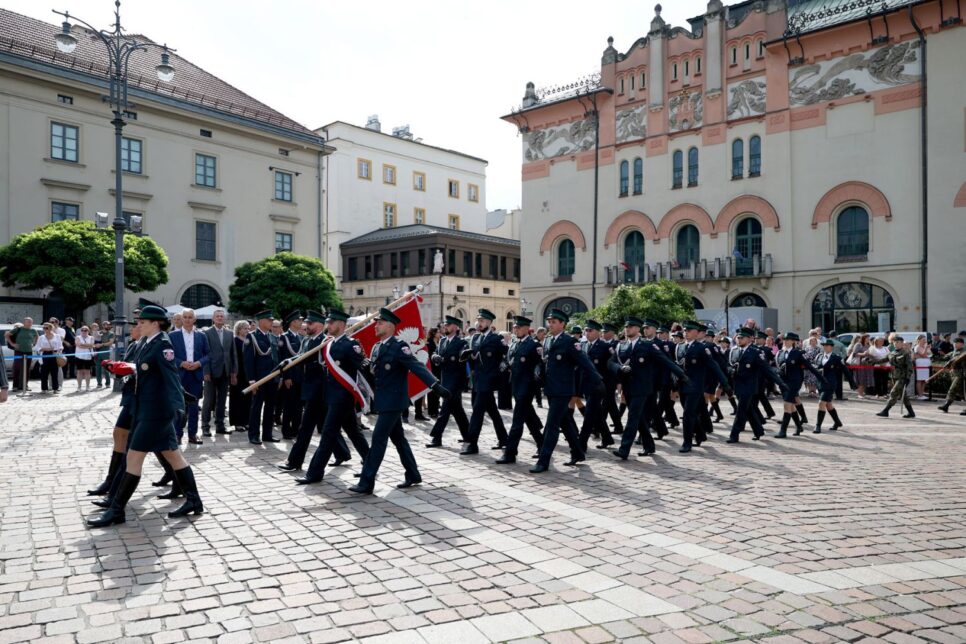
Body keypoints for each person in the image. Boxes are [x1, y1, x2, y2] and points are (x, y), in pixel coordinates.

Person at [87, 303, 203, 527]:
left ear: (155, 324)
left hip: (156, 412)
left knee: (133, 457)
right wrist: (127, 368)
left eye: (142, 322)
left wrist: (180, 407)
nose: (139, 325)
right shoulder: (147, 343)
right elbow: (144, 371)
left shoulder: (162, 345)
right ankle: (194, 500)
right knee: (173, 456)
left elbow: (171, 378)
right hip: (146, 408)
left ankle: (116, 510)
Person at [348, 307, 449, 494]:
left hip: (394, 401)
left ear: (391, 326)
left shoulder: (399, 346)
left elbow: (416, 366)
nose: (375, 326)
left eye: (380, 323)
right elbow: (375, 373)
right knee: (399, 439)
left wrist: (435, 385)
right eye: (376, 323)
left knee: (378, 439)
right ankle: (413, 474)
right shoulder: (378, 347)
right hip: (383, 400)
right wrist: (364, 365)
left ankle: (366, 481)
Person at [295, 309, 371, 484]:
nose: (328, 325)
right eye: (327, 322)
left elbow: (362, 365)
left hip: (343, 398)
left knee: (328, 434)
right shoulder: (328, 344)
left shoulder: (350, 345)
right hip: (331, 396)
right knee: (354, 433)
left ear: (342, 324)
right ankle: (370, 464)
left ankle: (314, 473)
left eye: (331, 322)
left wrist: (366, 363)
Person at [530, 308, 602, 473]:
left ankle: (543, 461)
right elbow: (546, 363)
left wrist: (598, 380)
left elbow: (584, 362)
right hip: (550, 388)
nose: (550, 324)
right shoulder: (548, 340)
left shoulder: (570, 342)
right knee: (565, 422)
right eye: (549, 321)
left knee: (552, 425)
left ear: (563, 324)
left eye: (554, 322)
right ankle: (577, 452)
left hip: (563, 390)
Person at [611, 317, 687, 459]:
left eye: (631, 327)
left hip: (642, 388)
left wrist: (682, 375)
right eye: (627, 327)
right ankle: (649, 445)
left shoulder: (647, 345)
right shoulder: (621, 345)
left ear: (638, 329)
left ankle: (624, 449)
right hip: (628, 387)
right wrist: (619, 368)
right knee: (639, 418)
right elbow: (611, 362)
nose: (628, 329)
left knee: (632, 416)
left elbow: (665, 361)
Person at [87, 322, 143, 496]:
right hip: (130, 397)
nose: (131, 330)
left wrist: (122, 368)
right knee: (119, 434)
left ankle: (178, 478)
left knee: (161, 446)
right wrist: (115, 367)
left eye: (136, 326)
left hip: (141, 399)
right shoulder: (134, 344)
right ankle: (111, 480)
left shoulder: (148, 345)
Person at [495, 315, 544, 464]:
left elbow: (540, 364)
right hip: (515, 386)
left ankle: (510, 453)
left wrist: (537, 374)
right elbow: (510, 360)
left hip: (527, 387)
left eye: (518, 327)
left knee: (517, 421)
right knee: (528, 417)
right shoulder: (515, 344)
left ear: (526, 329)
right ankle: (542, 443)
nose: (515, 329)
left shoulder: (534, 345)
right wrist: (505, 365)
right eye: (514, 327)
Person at [460, 309, 509, 455]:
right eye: (478, 320)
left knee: (477, 411)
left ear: (489, 322)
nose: (479, 323)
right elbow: (473, 357)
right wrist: (469, 356)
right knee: (493, 411)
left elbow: (506, 355)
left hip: (489, 380)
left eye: (482, 321)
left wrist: (500, 371)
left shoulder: (495, 339)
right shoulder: (475, 338)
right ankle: (504, 439)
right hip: (478, 380)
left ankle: (472, 443)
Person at [677, 321, 730, 452]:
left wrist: (725, 383)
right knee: (691, 413)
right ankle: (700, 434)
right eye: (685, 331)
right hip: (682, 386)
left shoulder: (701, 348)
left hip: (695, 386)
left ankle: (687, 442)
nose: (686, 333)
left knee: (688, 414)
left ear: (696, 332)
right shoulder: (680, 347)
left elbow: (714, 366)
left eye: (689, 331)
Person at [727, 328, 786, 443]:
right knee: (749, 409)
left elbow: (767, 369)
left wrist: (780, 383)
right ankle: (759, 430)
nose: (739, 340)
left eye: (742, 338)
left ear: (750, 339)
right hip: (738, 384)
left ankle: (734, 435)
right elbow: (728, 365)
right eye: (738, 338)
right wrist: (730, 370)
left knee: (741, 410)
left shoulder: (756, 352)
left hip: (749, 385)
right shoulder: (734, 350)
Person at [427, 316, 470, 448]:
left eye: (449, 324)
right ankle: (469, 435)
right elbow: (435, 352)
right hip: (445, 380)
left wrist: (464, 354)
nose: (445, 326)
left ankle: (436, 437)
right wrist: (435, 357)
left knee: (445, 410)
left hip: (456, 382)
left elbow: (464, 354)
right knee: (457, 410)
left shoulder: (461, 342)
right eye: (445, 324)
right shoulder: (442, 341)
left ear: (456, 327)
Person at [169, 308, 210, 445]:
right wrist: (181, 363)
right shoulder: (173, 335)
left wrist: (199, 363)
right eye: (184, 317)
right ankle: (177, 434)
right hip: (180, 375)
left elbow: (208, 355)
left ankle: (193, 434)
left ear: (194, 319)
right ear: (181, 319)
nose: (187, 319)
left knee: (194, 406)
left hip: (196, 375)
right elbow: (168, 355)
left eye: (189, 317)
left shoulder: (201, 335)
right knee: (178, 406)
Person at [775, 332, 826, 438]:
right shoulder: (780, 352)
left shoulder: (797, 353)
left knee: (787, 404)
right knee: (792, 405)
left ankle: (783, 430)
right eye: (784, 339)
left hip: (794, 382)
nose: (785, 341)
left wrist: (822, 378)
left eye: (788, 339)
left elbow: (809, 367)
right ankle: (798, 426)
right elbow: (777, 367)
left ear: (793, 341)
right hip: (783, 382)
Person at [578, 320, 616, 450]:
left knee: (589, 414)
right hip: (586, 385)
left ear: (598, 332)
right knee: (598, 413)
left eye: (590, 330)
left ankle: (581, 444)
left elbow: (611, 367)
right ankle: (607, 438)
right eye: (586, 330)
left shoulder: (605, 347)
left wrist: (610, 386)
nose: (587, 333)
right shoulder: (582, 345)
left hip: (598, 386)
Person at [244, 310, 280, 445]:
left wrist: (279, 377)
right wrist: (252, 380)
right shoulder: (252, 337)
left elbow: (276, 359)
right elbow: (248, 360)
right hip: (259, 379)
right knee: (256, 407)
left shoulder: (273, 337)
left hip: (272, 378)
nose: (271, 322)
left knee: (270, 407)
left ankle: (267, 434)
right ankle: (253, 435)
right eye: (269, 320)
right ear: (261, 321)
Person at [202, 309, 237, 436]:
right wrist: (205, 371)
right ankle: (205, 426)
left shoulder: (229, 333)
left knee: (222, 400)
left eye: (222, 316)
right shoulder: (206, 333)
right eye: (217, 316)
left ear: (225, 319)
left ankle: (220, 425)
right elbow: (204, 353)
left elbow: (233, 354)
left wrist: (234, 372)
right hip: (210, 371)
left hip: (225, 371)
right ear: (213, 318)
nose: (220, 318)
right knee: (208, 400)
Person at [278, 311, 305, 439]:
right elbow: (283, 358)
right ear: (293, 322)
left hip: (300, 377)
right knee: (289, 405)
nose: (301, 322)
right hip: (290, 377)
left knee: (298, 405)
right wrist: (287, 376)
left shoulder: (300, 337)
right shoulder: (284, 338)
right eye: (299, 320)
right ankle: (286, 430)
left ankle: (296, 429)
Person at [876, 337, 916, 418]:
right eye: (894, 342)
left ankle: (886, 411)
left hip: (903, 377)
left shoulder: (905, 353)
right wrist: (872, 361)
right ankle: (911, 412)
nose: (896, 344)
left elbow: (910, 367)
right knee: (903, 395)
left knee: (893, 392)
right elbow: (883, 360)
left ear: (902, 343)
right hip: (894, 376)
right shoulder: (892, 353)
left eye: (898, 342)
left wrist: (907, 378)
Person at [814, 339, 845, 433]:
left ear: (832, 347)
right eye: (824, 345)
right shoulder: (819, 356)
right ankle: (837, 422)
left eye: (827, 345)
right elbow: (816, 366)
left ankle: (818, 426)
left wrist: (852, 382)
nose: (825, 347)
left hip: (830, 383)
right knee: (828, 404)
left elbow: (845, 369)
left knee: (821, 403)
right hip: (820, 383)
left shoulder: (836, 357)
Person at [228, 320, 252, 430]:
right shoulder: (234, 340)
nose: (247, 330)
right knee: (237, 397)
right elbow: (231, 358)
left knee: (248, 397)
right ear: (238, 329)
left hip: (248, 373)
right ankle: (237, 422)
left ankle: (246, 421)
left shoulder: (249, 340)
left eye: (248, 328)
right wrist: (232, 374)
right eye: (244, 328)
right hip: (237, 373)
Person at [936, 336, 965, 414]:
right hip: (954, 373)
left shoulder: (963, 351)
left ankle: (946, 405)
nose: (955, 344)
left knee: (952, 389)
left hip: (961, 373)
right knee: (961, 392)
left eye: (957, 343)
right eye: (954, 343)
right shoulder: (954, 352)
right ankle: (946, 406)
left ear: (962, 344)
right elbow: (944, 357)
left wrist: (950, 361)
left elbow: (957, 358)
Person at [8, 318, 38, 391]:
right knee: (17, 368)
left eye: (31, 322)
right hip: (19, 351)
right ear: (24, 322)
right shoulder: (18, 329)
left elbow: (37, 336)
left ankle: (25, 386)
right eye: (28, 322)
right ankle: (15, 386)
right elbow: (7, 335)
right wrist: (12, 344)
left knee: (27, 369)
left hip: (29, 351)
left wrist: (34, 343)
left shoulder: (33, 330)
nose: (29, 323)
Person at [34, 323, 63, 393]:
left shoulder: (57, 336)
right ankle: (44, 389)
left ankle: (55, 388)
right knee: (44, 372)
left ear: (51, 328)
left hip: (54, 354)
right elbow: (37, 347)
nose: (45, 329)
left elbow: (61, 346)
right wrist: (44, 349)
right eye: (44, 328)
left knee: (54, 372)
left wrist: (55, 349)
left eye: (46, 328)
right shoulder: (41, 337)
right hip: (44, 355)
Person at [74, 325, 95, 390]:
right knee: (79, 371)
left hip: (88, 357)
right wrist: (88, 345)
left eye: (85, 330)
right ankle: (79, 387)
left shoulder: (91, 337)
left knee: (87, 371)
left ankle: (87, 386)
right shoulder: (78, 337)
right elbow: (78, 345)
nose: (83, 331)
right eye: (82, 330)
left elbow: (92, 345)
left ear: (88, 331)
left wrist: (83, 345)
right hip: (79, 356)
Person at [94, 323, 115, 388]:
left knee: (106, 368)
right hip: (97, 353)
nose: (108, 326)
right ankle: (99, 383)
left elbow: (110, 342)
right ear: (103, 326)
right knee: (98, 369)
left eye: (109, 325)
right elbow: (93, 340)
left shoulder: (111, 333)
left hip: (106, 353)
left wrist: (102, 344)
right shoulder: (98, 333)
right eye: (106, 325)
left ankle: (108, 383)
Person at [912, 335, 932, 400]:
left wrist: (927, 350)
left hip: (925, 365)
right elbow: (924, 355)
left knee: (924, 380)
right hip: (920, 365)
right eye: (923, 340)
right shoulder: (917, 347)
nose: (925, 341)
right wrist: (926, 349)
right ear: (919, 340)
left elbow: (930, 354)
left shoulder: (924, 346)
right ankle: (919, 395)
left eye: (925, 340)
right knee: (919, 380)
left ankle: (922, 394)